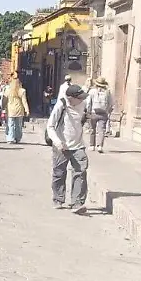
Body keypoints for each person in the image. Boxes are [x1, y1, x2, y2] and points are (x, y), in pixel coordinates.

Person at [48, 83, 91, 214]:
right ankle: (58, 199)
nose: (82, 100)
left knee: (80, 172)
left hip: (78, 145)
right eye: (79, 98)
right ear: (71, 98)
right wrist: (58, 142)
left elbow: (84, 118)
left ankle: (77, 203)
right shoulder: (61, 105)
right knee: (59, 173)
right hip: (61, 145)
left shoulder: (83, 104)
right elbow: (50, 126)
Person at [86, 76, 114, 153]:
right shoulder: (107, 92)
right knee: (101, 130)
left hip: (94, 112)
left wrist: (88, 111)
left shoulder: (92, 91)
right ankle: (100, 146)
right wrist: (108, 111)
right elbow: (111, 103)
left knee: (92, 129)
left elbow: (88, 103)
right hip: (103, 113)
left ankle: (92, 145)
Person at [4, 77, 30, 144]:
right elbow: (24, 101)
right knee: (18, 125)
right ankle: (18, 138)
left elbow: (4, 100)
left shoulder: (7, 90)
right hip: (19, 110)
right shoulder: (22, 91)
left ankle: (10, 139)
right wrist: (27, 110)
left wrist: (3, 107)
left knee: (10, 124)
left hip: (10, 110)